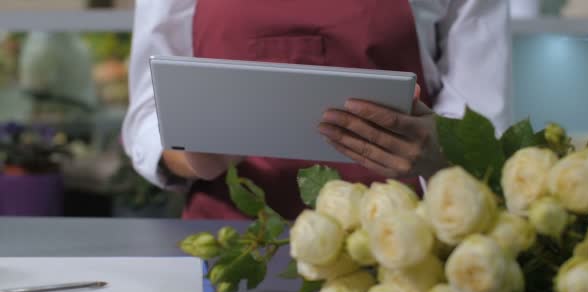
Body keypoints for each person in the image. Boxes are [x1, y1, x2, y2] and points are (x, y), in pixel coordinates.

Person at [123, 0, 511, 220]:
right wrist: (196, 153)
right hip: (234, 245)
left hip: (401, 242)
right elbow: (148, 113)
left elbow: (480, 123)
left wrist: (438, 152)